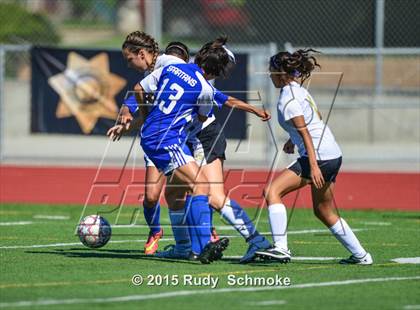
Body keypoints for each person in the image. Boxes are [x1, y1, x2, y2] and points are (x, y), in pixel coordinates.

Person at [109, 35, 238, 263]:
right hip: (162, 139)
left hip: (175, 139)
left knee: (185, 190)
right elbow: (142, 96)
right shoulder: (156, 71)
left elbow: (208, 101)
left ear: (142, 54)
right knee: (156, 195)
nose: (128, 65)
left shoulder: (172, 66)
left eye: (129, 59)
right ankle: (184, 238)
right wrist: (128, 111)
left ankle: (197, 241)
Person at [255, 49, 373, 265]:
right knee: (323, 210)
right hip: (332, 153)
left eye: (271, 71)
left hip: (318, 157)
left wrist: (313, 166)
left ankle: (281, 248)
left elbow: (306, 133)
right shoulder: (298, 91)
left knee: (272, 191)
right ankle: (362, 256)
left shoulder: (287, 100)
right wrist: (292, 140)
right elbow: (309, 122)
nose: (269, 75)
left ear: (281, 73)